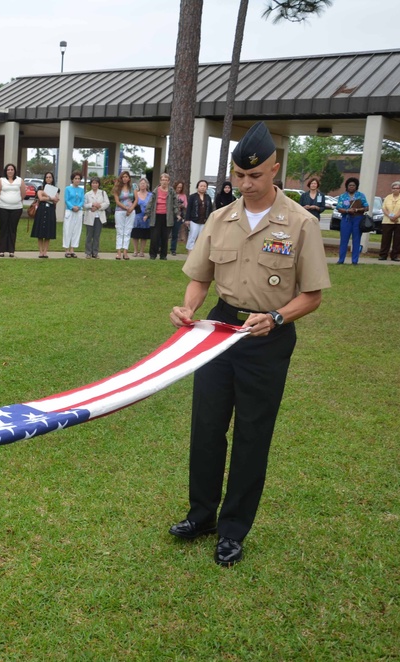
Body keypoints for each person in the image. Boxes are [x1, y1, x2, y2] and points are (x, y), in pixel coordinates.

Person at [168, 121, 330, 568]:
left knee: (252, 436)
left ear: (275, 169)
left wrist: (277, 316)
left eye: (255, 176)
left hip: (268, 337)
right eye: (239, 175)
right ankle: (200, 516)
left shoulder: (301, 223)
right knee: (206, 428)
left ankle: (233, 529)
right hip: (221, 330)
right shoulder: (221, 219)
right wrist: (188, 310)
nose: (246, 184)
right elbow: (200, 278)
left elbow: (312, 295)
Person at [145, 172, 180, 260]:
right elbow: (150, 203)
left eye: (166, 180)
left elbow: (175, 204)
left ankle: (163, 255)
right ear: (160, 181)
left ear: (168, 181)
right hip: (156, 216)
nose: (164, 182)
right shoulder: (156, 191)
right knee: (155, 237)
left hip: (167, 217)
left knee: (165, 237)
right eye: (162, 180)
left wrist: (177, 214)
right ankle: (153, 255)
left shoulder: (172, 191)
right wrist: (147, 214)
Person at [335, 177, 368, 265]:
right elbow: (339, 208)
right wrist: (347, 211)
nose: (351, 187)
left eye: (353, 185)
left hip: (357, 219)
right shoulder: (343, 196)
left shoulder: (360, 195)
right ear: (347, 186)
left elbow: (366, 207)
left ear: (356, 186)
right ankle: (341, 260)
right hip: (346, 219)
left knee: (356, 240)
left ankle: (354, 261)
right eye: (350, 185)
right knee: (344, 240)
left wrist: (357, 210)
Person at [0, 163, 24, 257]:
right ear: (5, 171)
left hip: (16, 208)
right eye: (8, 170)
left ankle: (11, 250)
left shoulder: (19, 180)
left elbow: (23, 194)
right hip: (2, 208)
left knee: (12, 229)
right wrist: (4, 200)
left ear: (15, 171)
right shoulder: (1, 180)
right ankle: (1, 250)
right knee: (3, 228)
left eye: (12, 169)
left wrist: (15, 200)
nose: (10, 171)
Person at [31, 172, 59, 258]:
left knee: (48, 233)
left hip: (50, 210)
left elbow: (56, 200)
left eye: (50, 177)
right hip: (41, 210)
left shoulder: (56, 189)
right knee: (40, 233)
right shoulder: (41, 187)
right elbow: (41, 198)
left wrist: (48, 197)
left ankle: (45, 252)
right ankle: (40, 251)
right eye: (47, 177)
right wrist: (50, 197)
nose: (48, 179)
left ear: (53, 178)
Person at [379, 181, 400, 261]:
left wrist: (396, 216)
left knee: (398, 239)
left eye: (397, 188)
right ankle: (383, 255)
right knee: (385, 238)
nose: (395, 190)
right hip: (387, 221)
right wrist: (389, 216)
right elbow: (384, 208)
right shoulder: (388, 197)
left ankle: (395, 255)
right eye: (393, 188)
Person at [184, 179, 213, 256]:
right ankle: (190, 254)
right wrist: (187, 219)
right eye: (201, 186)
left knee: (201, 238)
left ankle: (198, 255)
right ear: (198, 187)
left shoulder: (208, 197)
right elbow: (189, 208)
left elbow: (210, 209)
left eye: (204, 186)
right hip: (194, 220)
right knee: (192, 236)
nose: (203, 187)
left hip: (204, 221)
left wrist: (210, 220)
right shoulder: (193, 197)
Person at [82, 176, 109, 258]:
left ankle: (95, 252)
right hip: (90, 216)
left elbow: (107, 203)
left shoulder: (103, 193)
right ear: (91, 184)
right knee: (89, 235)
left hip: (99, 216)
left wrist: (98, 206)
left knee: (97, 235)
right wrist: (92, 205)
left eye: (96, 183)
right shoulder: (87, 194)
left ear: (98, 184)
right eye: (93, 183)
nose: (95, 184)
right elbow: (84, 205)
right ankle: (88, 252)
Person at [112, 171, 135, 260]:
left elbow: (136, 199)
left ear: (129, 178)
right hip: (120, 211)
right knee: (120, 231)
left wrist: (131, 208)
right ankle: (119, 253)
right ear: (121, 178)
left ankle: (125, 252)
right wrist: (126, 208)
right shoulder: (117, 188)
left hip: (131, 211)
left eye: (126, 176)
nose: (125, 178)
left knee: (127, 231)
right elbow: (117, 201)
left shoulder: (133, 187)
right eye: (123, 177)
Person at [62, 172, 84, 258]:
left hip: (78, 211)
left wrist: (78, 207)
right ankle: (66, 249)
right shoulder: (68, 188)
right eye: (76, 178)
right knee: (68, 230)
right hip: (70, 211)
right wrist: (72, 207)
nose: (77, 180)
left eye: (79, 179)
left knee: (76, 230)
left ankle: (72, 249)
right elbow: (66, 200)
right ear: (72, 179)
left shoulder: (81, 190)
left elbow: (82, 200)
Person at [130, 178, 152, 258]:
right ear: (139, 185)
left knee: (144, 235)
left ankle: (142, 251)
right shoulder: (135, 194)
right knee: (135, 235)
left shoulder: (150, 195)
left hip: (146, 218)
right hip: (136, 217)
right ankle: (135, 251)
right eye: (141, 183)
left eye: (144, 183)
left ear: (147, 185)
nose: (142, 185)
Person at [169, 180, 188, 256]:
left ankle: (173, 249)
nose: (179, 189)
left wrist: (182, 206)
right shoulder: (171, 193)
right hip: (170, 215)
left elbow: (186, 205)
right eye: (178, 187)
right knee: (166, 232)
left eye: (180, 187)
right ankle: (161, 247)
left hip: (179, 216)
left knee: (175, 233)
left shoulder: (183, 196)